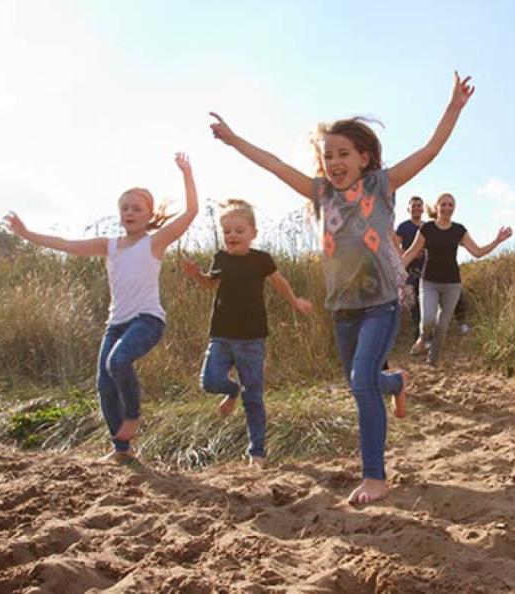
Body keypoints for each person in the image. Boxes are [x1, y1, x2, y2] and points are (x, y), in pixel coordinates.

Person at [209, 71, 475, 505]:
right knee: (364, 382)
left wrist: (453, 108)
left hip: (381, 305)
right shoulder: (319, 194)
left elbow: (429, 151)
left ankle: (375, 476)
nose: (334, 161)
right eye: (328, 154)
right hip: (342, 309)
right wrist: (236, 140)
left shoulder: (382, 185)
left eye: (343, 153)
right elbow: (275, 165)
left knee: (360, 383)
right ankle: (396, 382)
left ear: (365, 157)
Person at [4, 152, 199, 464]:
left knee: (119, 360)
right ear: (119, 214)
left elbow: (191, 212)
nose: (130, 212)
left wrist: (186, 173)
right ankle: (121, 451)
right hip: (116, 324)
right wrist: (27, 234)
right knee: (104, 385)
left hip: (147, 320)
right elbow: (65, 244)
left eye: (137, 208)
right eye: (125, 208)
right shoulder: (108, 245)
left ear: (149, 214)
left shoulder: (155, 242)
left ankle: (133, 415)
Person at [181, 199, 313, 468]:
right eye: (227, 231)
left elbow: (279, 282)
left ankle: (257, 453)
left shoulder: (261, 260)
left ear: (253, 232)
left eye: (238, 231)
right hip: (221, 335)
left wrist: (295, 301)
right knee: (209, 381)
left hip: (252, 339)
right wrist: (196, 274)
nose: (232, 236)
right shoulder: (221, 258)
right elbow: (210, 284)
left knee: (254, 397)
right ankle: (232, 391)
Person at [401, 192, 512, 366]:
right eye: (443, 204)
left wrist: (497, 240)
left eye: (450, 205)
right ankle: (423, 339)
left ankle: (433, 362)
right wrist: (393, 271)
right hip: (429, 281)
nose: (446, 208)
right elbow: (410, 253)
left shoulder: (459, 230)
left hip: (452, 284)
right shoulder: (427, 229)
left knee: (443, 326)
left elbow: (477, 252)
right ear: (436, 208)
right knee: (429, 319)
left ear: (454, 209)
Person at [394, 196, 427, 341]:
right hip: (409, 269)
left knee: (426, 300)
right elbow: (395, 246)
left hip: (427, 268)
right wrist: (408, 255)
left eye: (419, 206)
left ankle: (428, 332)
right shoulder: (403, 227)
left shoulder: (427, 226)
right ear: (409, 209)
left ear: (423, 208)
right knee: (413, 302)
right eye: (413, 206)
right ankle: (417, 335)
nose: (416, 208)